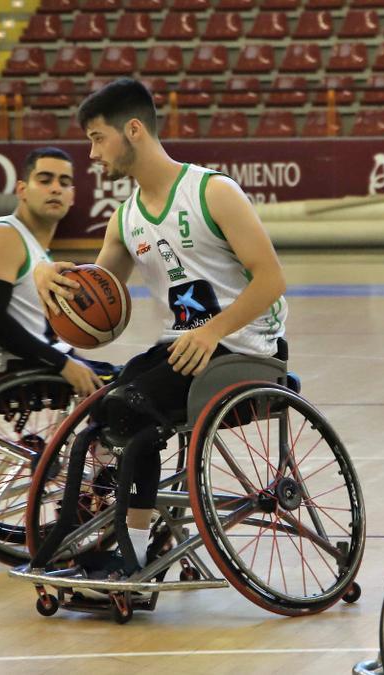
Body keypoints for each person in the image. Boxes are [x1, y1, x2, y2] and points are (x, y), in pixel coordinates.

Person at [32, 78, 288, 572]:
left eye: (96, 138)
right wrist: (48, 272)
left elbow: (272, 279)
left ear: (133, 131)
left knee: (133, 406)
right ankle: (95, 531)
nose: (91, 154)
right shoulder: (125, 219)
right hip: (182, 351)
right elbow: (97, 292)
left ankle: (136, 548)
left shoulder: (213, 192)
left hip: (247, 349)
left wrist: (213, 329)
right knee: (102, 408)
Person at [0, 146, 104, 397]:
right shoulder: (3, 235)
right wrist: (63, 364)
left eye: (64, 183)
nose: (55, 188)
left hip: (30, 359)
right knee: (129, 394)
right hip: (6, 363)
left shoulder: (37, 249)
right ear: (22, 190)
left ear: (72, 196)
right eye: (45, 180)